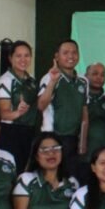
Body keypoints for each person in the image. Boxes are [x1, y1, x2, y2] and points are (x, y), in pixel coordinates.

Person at [37, 39, 88, 177]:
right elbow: (41, 105)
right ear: (57, 56)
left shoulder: (83, 81)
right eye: (65, 53)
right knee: (54, 176)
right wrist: (53, 81)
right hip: (54, 136)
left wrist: (82, 142)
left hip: (73, 138)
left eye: (74, 52)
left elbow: (84, 113)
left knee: (72, 177)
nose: (71, 56)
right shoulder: (49, 77)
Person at [0, 40, 40, 173]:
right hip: (12, 133)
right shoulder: (6, 80)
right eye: (18, 56)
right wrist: (18, 113)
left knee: (26, 172)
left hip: (30, 131)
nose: (23, 59)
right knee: (12, 172)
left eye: (27, 55)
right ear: (11, 58)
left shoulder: (32, 80)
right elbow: (3, 113)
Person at [84, 63, 105, 172]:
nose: (99, 78)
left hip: (103, 154)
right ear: (86, 76)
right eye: (95, 74)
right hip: (82, 153)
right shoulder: (79, 97)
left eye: (102, 75)